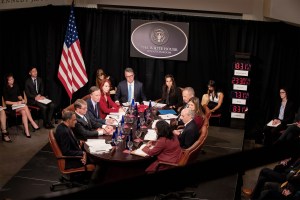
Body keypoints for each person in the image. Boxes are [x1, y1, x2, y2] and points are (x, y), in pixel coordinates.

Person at [3, 73, 39, 138]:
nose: (12, 81)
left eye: (12, 79)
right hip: (11, 107)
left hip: (18, 105)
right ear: (7, 81)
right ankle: (32, 122)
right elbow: (6, 102)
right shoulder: (5, 88)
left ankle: (27, 131)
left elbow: (19, 95)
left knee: (24, 112)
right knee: (25, 107)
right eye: (10, 80)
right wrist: (16, 103)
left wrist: (22, 99)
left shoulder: (16, 86)